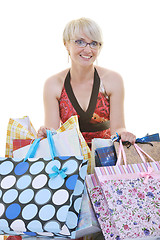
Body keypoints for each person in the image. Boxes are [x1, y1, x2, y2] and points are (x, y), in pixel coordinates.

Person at [37, 17, 136, 146]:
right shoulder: (53, 84)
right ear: (66, 44)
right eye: (80, 42)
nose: (88, 50)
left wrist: (124, 133)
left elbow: (117, 129)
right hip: (70, 159)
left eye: (94, 43)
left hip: (105, 159)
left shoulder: (113, 80)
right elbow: (54, 134)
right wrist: (46, 133)